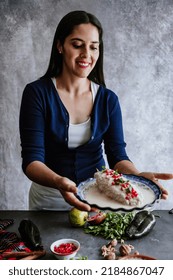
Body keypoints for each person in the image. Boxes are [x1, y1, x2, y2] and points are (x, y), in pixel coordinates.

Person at [19, 10, 173, 211]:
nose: (86, 55)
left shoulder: (108, 99)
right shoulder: (36, 93)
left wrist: (135, 176)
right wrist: (59, 181)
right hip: (48, 200)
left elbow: (118, 156)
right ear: (60, 46)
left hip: (97, 200)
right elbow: (32, 161)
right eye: (77, 45)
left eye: (94, 47)